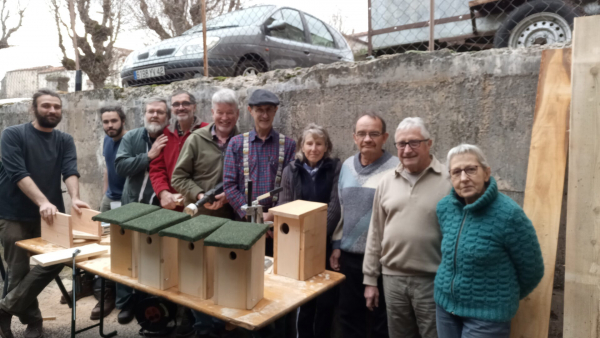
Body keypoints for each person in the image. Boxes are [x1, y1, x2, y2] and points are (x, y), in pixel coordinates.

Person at [0, 89, 91, 338]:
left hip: (51, 216)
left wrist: (75, 198)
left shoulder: (64, 140)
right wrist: (42, 201)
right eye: (46, 106)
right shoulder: (12, 134)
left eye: (57, 107)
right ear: (34, 108)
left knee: (60, 258)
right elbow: (18, 173)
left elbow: (70, 170)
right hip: (14, 213)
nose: (52, 110)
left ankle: (4, 308)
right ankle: (33, 322)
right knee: (17, 271)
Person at [435, 144, 544, 338]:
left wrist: (499, 298)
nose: (464, 178)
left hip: (486, 319)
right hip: (445, 309)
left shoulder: (509, 215)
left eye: (471, 169)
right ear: (450, 178)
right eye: (456, 172)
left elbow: (532, 270)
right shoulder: (445, 208)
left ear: (486, 173)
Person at [363, 117, 451, 338]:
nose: (407, 150)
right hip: (393, 280)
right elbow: (376, 233)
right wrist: (370, 280)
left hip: (433, 281)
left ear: (429, 143)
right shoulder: (386, 182)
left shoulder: (449, 180)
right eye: (401, 144)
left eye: (414, 143)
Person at [171, 88, 241, 336]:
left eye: (229, 113)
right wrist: (200, 195)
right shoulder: (196, 139)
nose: (224, 118)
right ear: (212, 112)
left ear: (238, 113)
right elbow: (178, 177)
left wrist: (229, 196)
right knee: (199, 278)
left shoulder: (243, 141)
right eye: (220, 112)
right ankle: (203, 329)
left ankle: (224, 326)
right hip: (200, 220)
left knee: (227, 277)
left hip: (231, 222)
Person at [330, 113, 398, 338]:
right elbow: (341, 209)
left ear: (385, 137)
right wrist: (337, 244)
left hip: (382, 259)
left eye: (374, 134)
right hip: (349, 259)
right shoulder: (347, 166)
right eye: (362, 134)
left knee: (381, 323)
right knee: (349, 319)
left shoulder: (397, 169)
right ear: (354, 137)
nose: (367, 139)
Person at [278, 123, 341, 338]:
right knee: (303, 298)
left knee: (325, 299)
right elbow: (286, 205)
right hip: (298, 245)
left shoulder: (334, 168)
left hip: (325, 242)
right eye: (309, 143)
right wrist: (303, 238)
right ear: (302, 147)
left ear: (326, 147)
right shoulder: (291, 170)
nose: (314, 148)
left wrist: (318, 235)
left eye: (319, 144)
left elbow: (335, 204)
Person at [113, 97, 170, 325]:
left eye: (159, 112)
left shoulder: (171, 140)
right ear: (144, 114)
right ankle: (125, 303)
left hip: (158, 209)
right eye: (150, 111)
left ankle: (148, 301)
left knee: (153, 255)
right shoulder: (131, 137)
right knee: (126, 254)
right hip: (131, 205)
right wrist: (148, 156)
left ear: (167, 117)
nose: (154, 115)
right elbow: (120, 166)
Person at [223, 89, 296, 255]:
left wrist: (270, 218)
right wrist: (254, 217)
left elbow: (290, 188)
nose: (265, 115)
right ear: (250, 110)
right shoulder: (236, 144)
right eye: (259, 110)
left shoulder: (289, 145)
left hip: (276, 226)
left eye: (269, 109)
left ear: (276, 110)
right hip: (244, 224)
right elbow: (229, 185)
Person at [149, 90, 208, 212]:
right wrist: (163, 193)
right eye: (176, 104)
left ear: (194, 107)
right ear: (171, 109)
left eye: (185, 103)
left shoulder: (207, 131)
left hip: (200, 205)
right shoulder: (165, 133)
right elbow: (157, 168)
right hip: (172, 205)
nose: (181, 108)